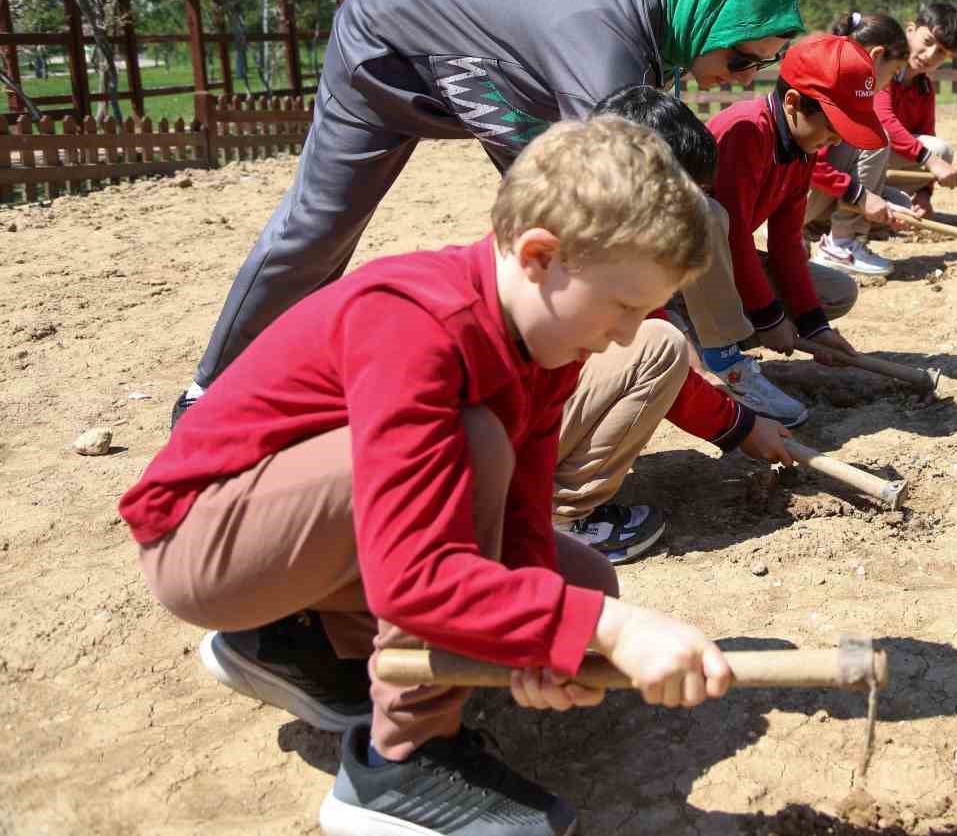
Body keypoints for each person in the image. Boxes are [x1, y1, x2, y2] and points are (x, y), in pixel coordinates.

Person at [121, 118, 732, 836]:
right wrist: (609, 628)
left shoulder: (547, 345)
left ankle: (295, 643)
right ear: (540, 256)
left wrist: (541, 639)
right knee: (478, 450)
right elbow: (416, 574)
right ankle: (400, 765)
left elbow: (523, 518)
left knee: (584, 583)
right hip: (204, 546)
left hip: (300, 537)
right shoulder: (417, 323)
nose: (629, 334)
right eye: (625, 306)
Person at [172, 0, 806, 426]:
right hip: (386, 44)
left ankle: (529, 390)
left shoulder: (669, 0)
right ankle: (212, 394)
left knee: (566, 238)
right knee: (320, 224)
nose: (745, 78)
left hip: (500, 71)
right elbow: (623, 216)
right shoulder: (598, 33)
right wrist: (720, 413)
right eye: (743, 58)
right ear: (711, 3)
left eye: (763, 65)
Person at [553, 85, 795, 564]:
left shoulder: (592, 231)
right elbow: (658, 360)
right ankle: (560, 521)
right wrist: (743, 427)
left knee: (659, 342)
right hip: (494, 453)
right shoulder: (596, 259)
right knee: (658, 346)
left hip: (498, 442)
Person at [676, 34, 884, 428]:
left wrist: (813, 326)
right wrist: (770, 318)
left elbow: (786, 241)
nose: (837, 139)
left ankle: (720, 339)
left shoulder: (803, 149)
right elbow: (734, 236)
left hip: (725, 264)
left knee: (836, 293)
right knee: (719, 245)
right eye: (833, 126)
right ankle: (719, 355)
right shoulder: (747, 132)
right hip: (685, 271)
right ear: (792, 103)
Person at [806, 10, 912, 277]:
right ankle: (841, 243)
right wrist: (862, 197)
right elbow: (810, 165)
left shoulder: (846, 86)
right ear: (876, 56)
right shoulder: (827, 87)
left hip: (807, 195)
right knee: (877, 139)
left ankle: (833, 232)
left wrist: (874, 200)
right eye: (894, 71)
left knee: (898, 202)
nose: (889, 83)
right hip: (788, 199)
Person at [875, 2, 957, 218]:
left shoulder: (924, 89)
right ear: (910, 30)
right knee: (933, 153)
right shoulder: (883, 67)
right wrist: (931, 161)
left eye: (941, 52)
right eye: (927, 42)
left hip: (883, 163)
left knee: (941, 150)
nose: (930, 55)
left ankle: (885, 198)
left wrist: (925, 194)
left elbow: (927, 134)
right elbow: (884, 121)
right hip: (856, 155)